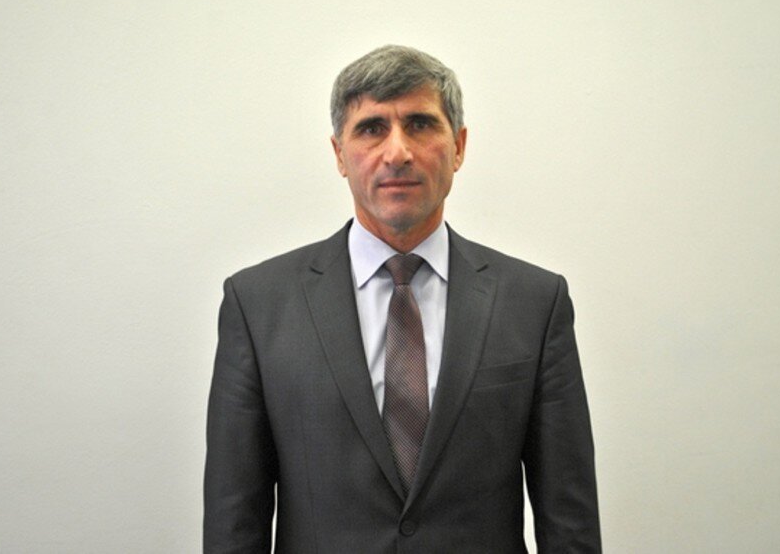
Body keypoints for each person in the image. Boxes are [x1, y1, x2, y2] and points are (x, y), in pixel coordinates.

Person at [204, 45, 601, 553]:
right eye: (371, 128)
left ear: (458, 146)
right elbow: (235, 519)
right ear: (339, 154)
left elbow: (569, 520)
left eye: (420, 124)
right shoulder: (258, 305)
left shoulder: (534, 303)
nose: (397, 153)